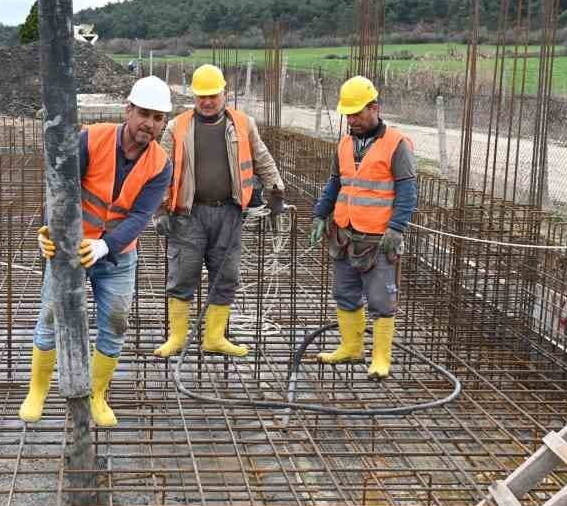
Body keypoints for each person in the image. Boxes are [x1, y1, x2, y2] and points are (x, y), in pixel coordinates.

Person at [20, 75, 173, 427]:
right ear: (129, 110)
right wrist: (50, 231)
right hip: (71, 247)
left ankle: (97, 395)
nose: (149, 124)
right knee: (50, 316)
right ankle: (38, 390)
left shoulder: (161, 164)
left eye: (157, 118)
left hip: (117, 255)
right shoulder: (92, 139)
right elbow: (62, 190)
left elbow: (139, 216)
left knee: (116, 324)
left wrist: (106, 245)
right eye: (144, 114)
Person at [152, 63, 286, 359]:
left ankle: (214, 337)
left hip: (228, 213)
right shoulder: (177, 127)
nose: (208, 101)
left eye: (213, 95)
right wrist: (160, 210)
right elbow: (160, 171)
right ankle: (176, 338)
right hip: (188, 215)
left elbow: (263, 159)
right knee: (183, 274)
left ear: (224, 93)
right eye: (202, 96)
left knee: (225, 276)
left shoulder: (242, 123)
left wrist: (276, 191)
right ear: (193, 96)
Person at [308, 75, 417, 379]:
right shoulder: (344, 144)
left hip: (379, 239)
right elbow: (335, 183)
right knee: (344, 292)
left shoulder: (396, 144)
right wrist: (320, 214)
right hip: (344, 234)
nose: (351, 119)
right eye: (348, 114)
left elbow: (408, 190)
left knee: (382, 299)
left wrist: (397, 228)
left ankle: (380, 358)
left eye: (357, 113)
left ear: (374, 108)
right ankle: (351, 348)